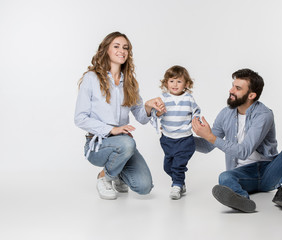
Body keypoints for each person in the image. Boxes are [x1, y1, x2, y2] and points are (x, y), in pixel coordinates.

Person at [192, 68, 282, 212]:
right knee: (224, 177)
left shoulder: (264, 115)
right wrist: (178, 139)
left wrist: (210, 136)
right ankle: (243, 200)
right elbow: (207, 146)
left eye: (237, 88)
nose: (231, 90)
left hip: (268, 171)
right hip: (243, 174)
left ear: (251, 95)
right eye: (233, 85)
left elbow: (244, 151)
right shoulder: (225, 113)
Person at [74, 32, 165, 200]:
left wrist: (148, 107)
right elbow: (80, 118)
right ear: (106, 50)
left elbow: (141, 118)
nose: (122, 51)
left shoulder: (129, 82)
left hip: (123, 145)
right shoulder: (91, 78)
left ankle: (116, 173)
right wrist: (112, 130)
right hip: (97, 145)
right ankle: (104, 176)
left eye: (125, 48)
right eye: (116, 46)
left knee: (144, 187)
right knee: (127, 142)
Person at [151, 65, 201, 200]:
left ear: (186, 84)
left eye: (179, 81)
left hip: (185, 139)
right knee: (168, 166)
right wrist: (159, 113)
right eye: (172, 81)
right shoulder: (163, 98)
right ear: (166, 83)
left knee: (178, 165)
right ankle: (180, 182)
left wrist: (196, 120)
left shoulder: (188, 98)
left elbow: (197, 111)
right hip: (167, 139)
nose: (175, 84)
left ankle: (177, 186)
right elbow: (155, 115)